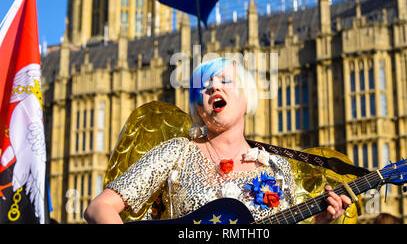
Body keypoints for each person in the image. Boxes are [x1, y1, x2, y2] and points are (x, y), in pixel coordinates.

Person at [84, 58, 351, 224]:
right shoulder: (177, 152)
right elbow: (100, 207)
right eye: (204, 85)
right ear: (198, 108)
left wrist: (320, 222)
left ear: (247, 97)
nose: (213, 87)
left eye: (225, 80)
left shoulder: (277, 169)